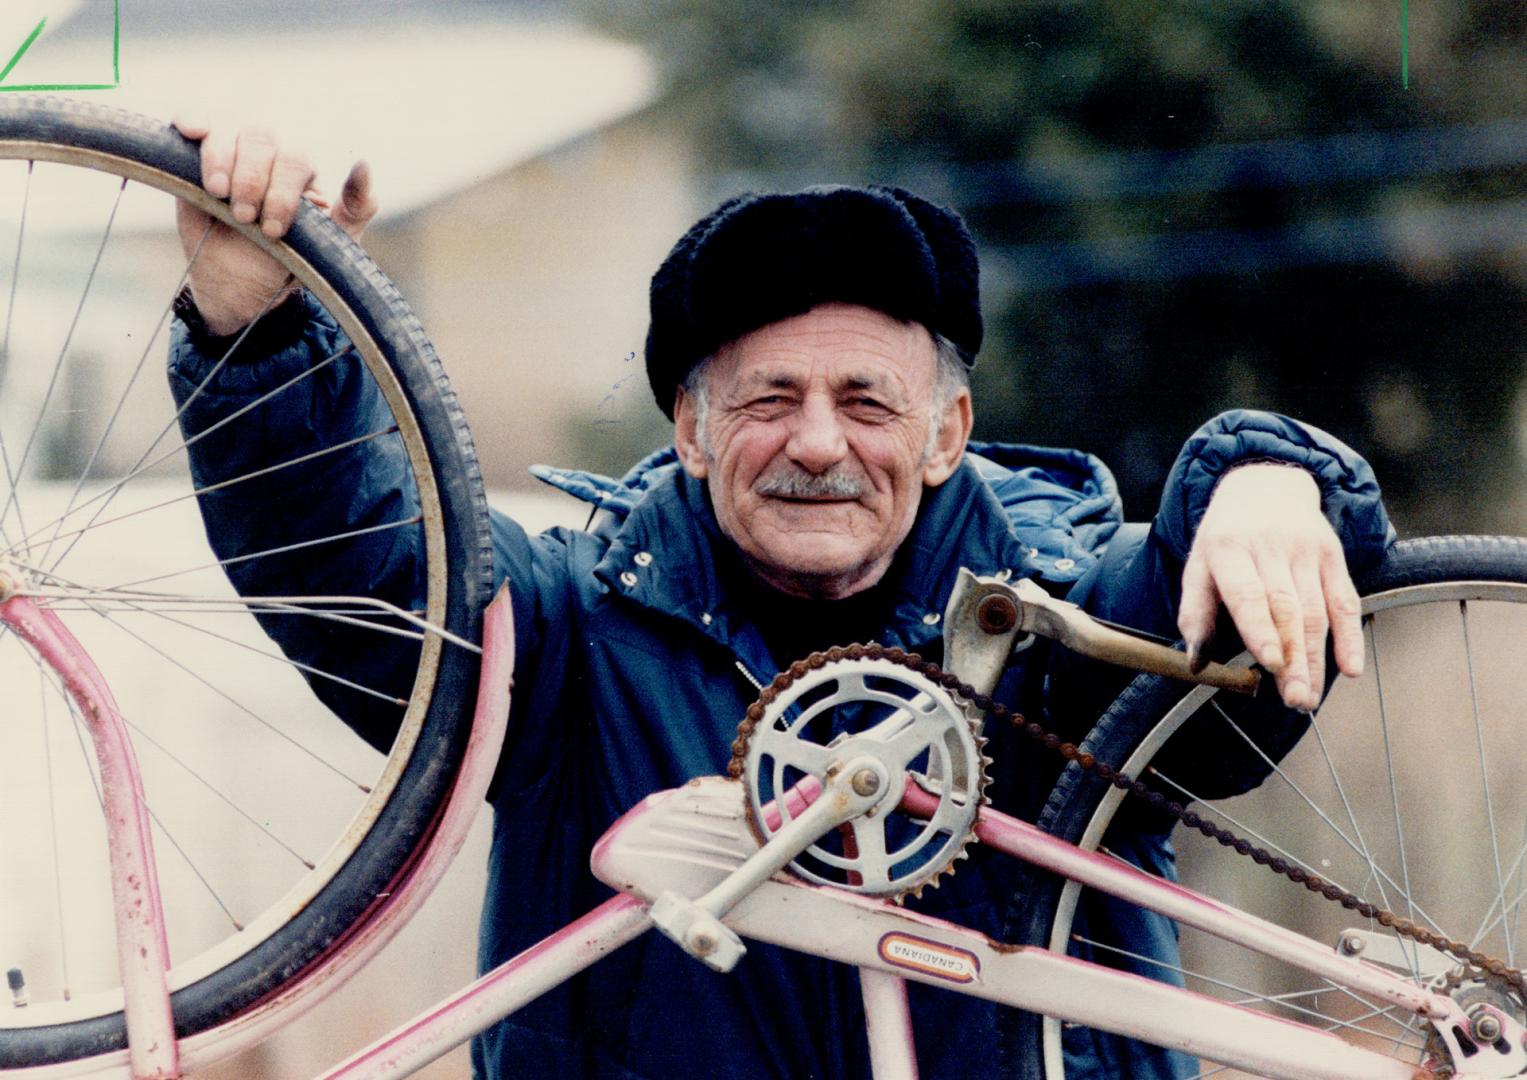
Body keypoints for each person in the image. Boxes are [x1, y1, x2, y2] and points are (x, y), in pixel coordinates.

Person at [165, 117, 1392, 1078]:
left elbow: (1210, 674)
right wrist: (252, 327)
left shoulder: (1059, 620)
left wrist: (1272, 479)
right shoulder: (570, 636)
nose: (817, 444)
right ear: (689, 434)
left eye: (866, 401)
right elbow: (362, 570)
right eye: (766, 402)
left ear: (948, 431)